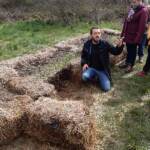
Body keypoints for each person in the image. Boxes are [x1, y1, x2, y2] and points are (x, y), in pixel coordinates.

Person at [81, 27, 124, 92]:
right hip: (91, 68)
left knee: (106, 88)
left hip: (103, 70)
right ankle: (94, 77)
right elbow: (83, 55)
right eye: (95, 33)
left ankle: (99, 77)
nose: (97, 35)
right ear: (91, 35)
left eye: (99, 33)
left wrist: (119, 46)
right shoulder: (87, 44)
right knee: (84, 77)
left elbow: (116, 52)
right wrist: (84, 63)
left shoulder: (105, 44)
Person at [120, 0, 148, 73]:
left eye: (134, 1)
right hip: (128, 34)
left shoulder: (143, 11)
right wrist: (123, 33)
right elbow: (126, 21)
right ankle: (127, 62)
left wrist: (137, 38)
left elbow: (142, 27)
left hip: (134, 36)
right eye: (132, 1)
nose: (133, 3)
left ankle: (130, 65)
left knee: (133, 51)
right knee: (129, 49)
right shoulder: (132, 9)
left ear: (140, 1)